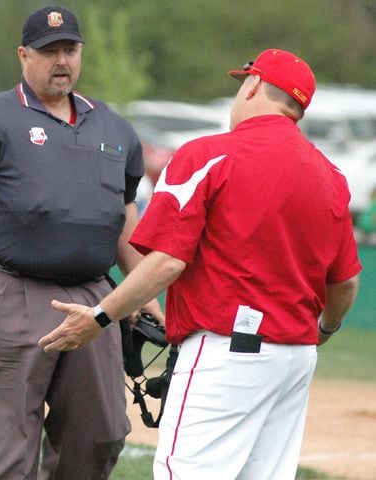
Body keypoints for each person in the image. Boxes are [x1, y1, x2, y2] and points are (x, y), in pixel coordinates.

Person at [39, 49, 362, 479]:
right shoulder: (331, 176)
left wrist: (100, 316)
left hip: (227, 352)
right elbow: (345, 284)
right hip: (295, 359)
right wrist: (326, 328)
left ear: (252, 86)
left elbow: (167, 262)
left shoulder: (206, 154)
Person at [0, 6, 161, 479]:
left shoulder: (114, 128)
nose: (61, 60)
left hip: (95, 296)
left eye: (70, 49)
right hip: (14, 292)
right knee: (7, 444)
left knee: (100, 432)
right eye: (49, 51)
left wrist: (142, 292)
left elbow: (123, 220)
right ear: (24, 55)